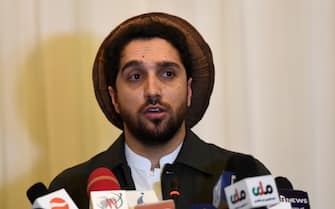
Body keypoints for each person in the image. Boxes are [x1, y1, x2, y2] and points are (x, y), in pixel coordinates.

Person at [49, 12, 270, 209]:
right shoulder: (70, 189)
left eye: (167, 74)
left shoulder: (242, 176)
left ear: (189, 90)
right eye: (135, 76)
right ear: (114, 97)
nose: (152, 91)